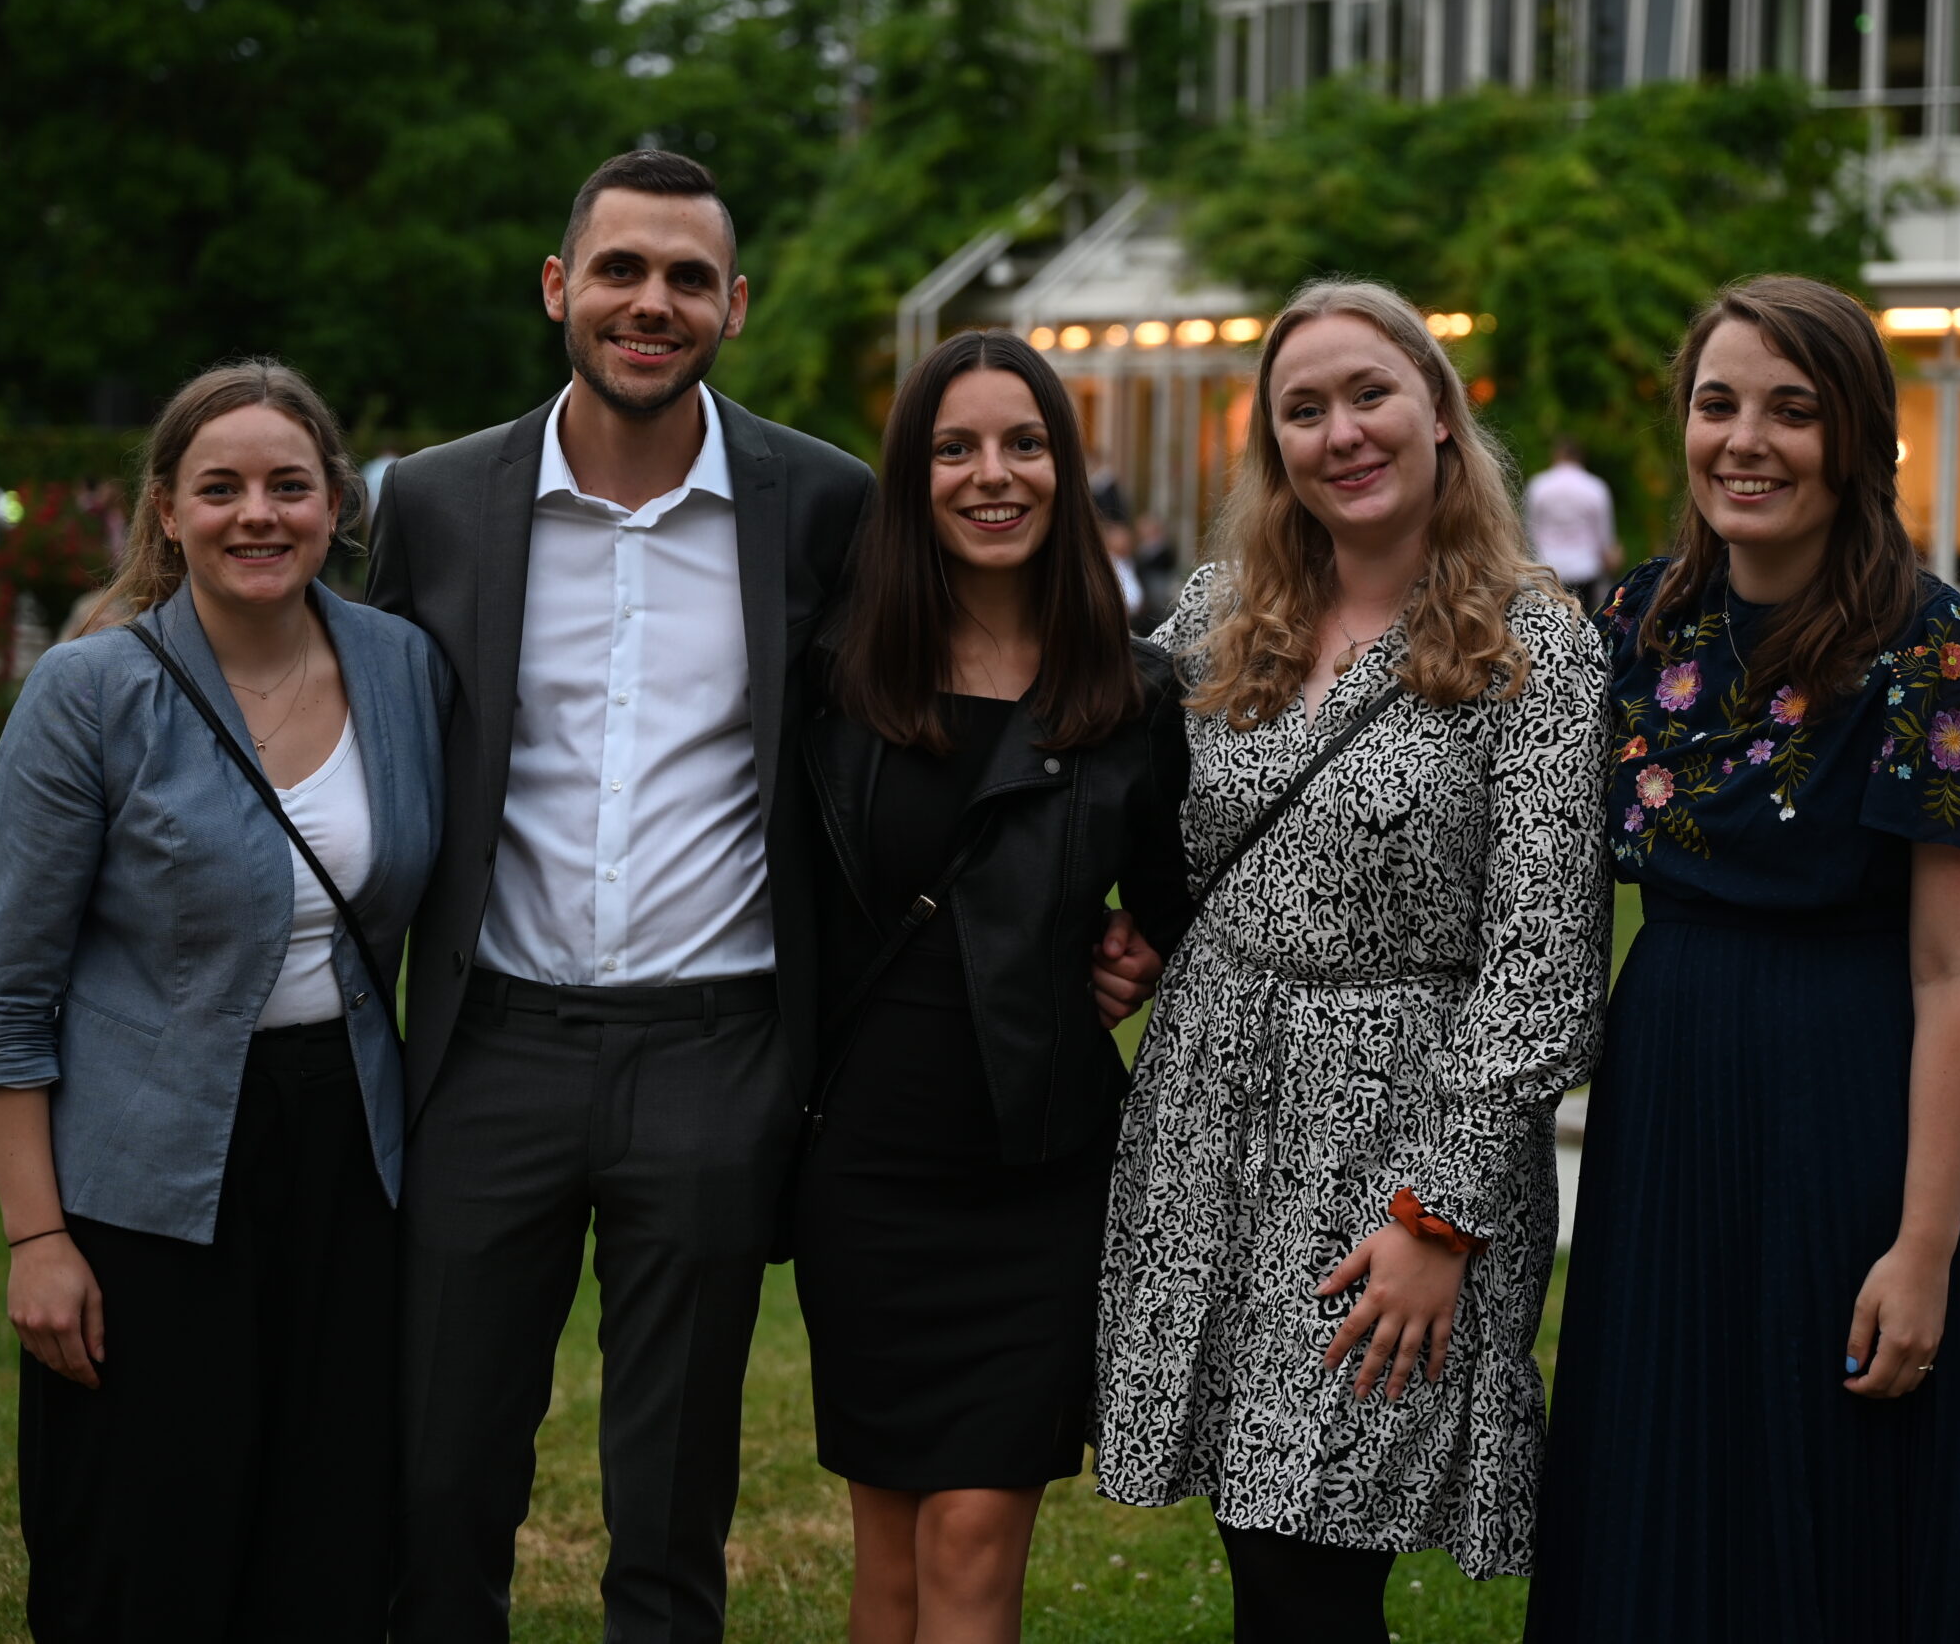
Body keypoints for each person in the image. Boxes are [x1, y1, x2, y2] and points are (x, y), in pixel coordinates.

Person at [366, 150, 1162, 1643]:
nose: (648, 304)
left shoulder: (825, 504)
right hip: (491, 1046)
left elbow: (931, 733)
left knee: (671, 1497)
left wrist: (1087, 927)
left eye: (684, 278)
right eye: (619, 270)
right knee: (442, 1466)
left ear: (734, 303)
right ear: (559, 287)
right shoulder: (434, 503)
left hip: (719, 1049)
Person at [1527, 275, 1960, 1642]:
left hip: (1848, 1099)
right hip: (1671, 1092)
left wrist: (1923, 1245)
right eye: (1718, 405)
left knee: (1831, 1480)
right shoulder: (1639, 625)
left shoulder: (1941, 653)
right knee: (1664, 1463)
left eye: (1792, 410)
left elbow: (1957, 970)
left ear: (1863, 440)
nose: (1745, 440)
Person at [1091, 278, 1611, 1638]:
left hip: (1394, 1156)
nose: (1343, 432)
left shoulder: (1535, 644)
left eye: (1370, 393)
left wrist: (1439, 1215)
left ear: (1440, 411)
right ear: (1275, 449)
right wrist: (1107, 934)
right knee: (1263, 1549)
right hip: (1207, 1125)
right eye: (1303, 410)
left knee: (1310, 1559)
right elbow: (1101, 787)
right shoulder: (1214, 615)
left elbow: (1545, 970)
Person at [0, 359, 450, 1640]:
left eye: (289, 486)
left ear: (337, 503)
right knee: (145, 1541)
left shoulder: (399, 666)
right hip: (147, 1179)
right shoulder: (92, 690)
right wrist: (36, 1239)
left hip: (349, 1158)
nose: (258, 514)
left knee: (330, 1530)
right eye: (219, 487)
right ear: (165, 508)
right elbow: (6, 989)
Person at [796, 329, 1193, 1644]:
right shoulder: (839, 680)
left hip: (1037, 1165)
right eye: (956, 448)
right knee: (890, 1556)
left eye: (1024, 443)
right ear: (911, 481)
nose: (993, 473)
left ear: (1064, 471)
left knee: (974, 1538)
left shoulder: (1134, 695)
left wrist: (1139, 945)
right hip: (870, 1167)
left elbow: (1186, 890)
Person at [1520, 435, 1620, 613]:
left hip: (1548, 570)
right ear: (1581, 457)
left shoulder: (1539, 486)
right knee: (1584, 621)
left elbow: (1529, 531)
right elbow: (1604, 536)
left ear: (1556, 455)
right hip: (1585, 570)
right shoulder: (1595, 487)